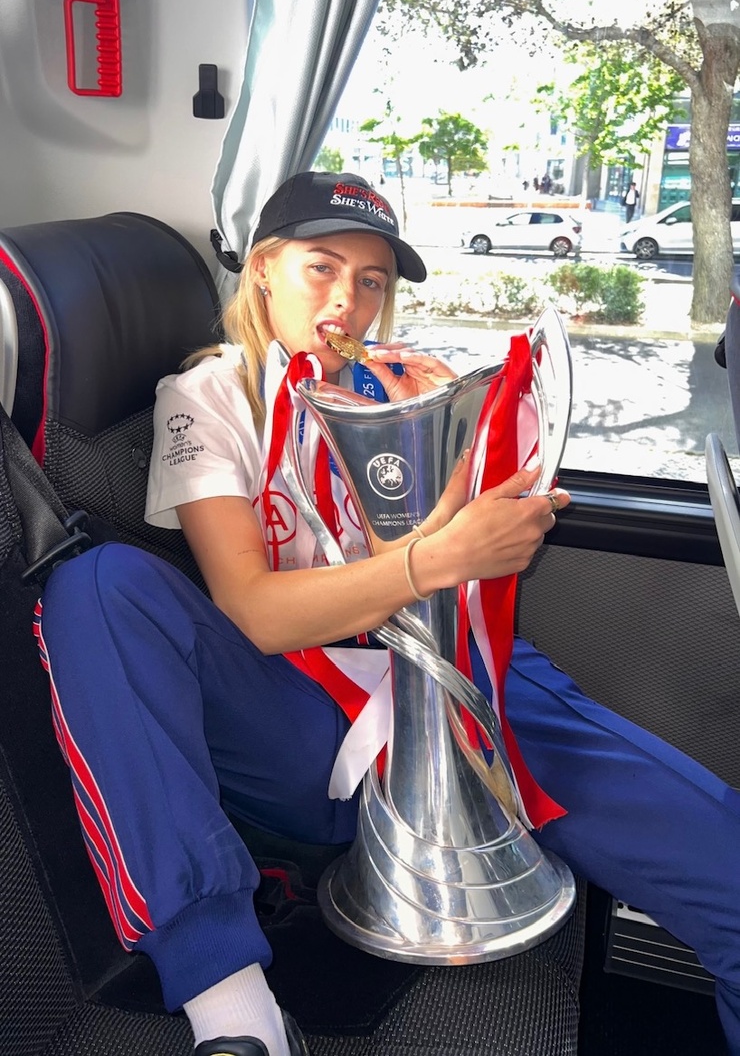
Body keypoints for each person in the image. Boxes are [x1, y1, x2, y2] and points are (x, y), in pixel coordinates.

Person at [37, 172, 740, 1056]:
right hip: (305, 722)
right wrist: (435, 557)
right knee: (97, 584)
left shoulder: (391, 386)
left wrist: (446, 431)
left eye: (371, 280)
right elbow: (252, 613)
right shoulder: (212, 398)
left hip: (462, 687)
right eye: (322, 268)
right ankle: (232, 1007)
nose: (349, 300)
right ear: (263, 268)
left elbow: (453, 560)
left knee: (727, 869)